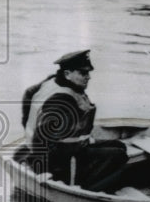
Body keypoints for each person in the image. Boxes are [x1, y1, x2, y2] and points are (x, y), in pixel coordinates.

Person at [17, 50, 128, 192]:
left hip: (69, 147)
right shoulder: (62, 100)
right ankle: (86, 190)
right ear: (67, 74)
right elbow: (41, 135)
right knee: (118, 155)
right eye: (83, 73)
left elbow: (29, 94)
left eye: (88, 73)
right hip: (59, 156)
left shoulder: (56, 82)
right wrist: (41, 170)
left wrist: (26, 125)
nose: (88, 77)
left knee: (119, 146)